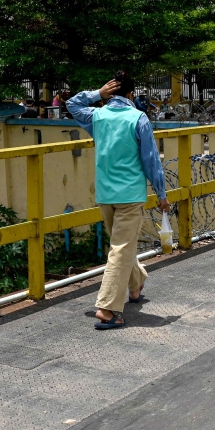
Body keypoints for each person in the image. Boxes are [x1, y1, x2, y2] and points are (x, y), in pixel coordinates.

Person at [67, 70, 170, 329]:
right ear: (131, 94)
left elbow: (72, 104)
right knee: (121, 248)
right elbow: (151, 161)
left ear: (110, 92)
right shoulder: (138, 118)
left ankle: (136, 285)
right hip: (130, 195)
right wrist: (161, 194)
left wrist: (96, 94)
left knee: (121, 245)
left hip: (105, 195)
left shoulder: (97, 116)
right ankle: (107, 308)